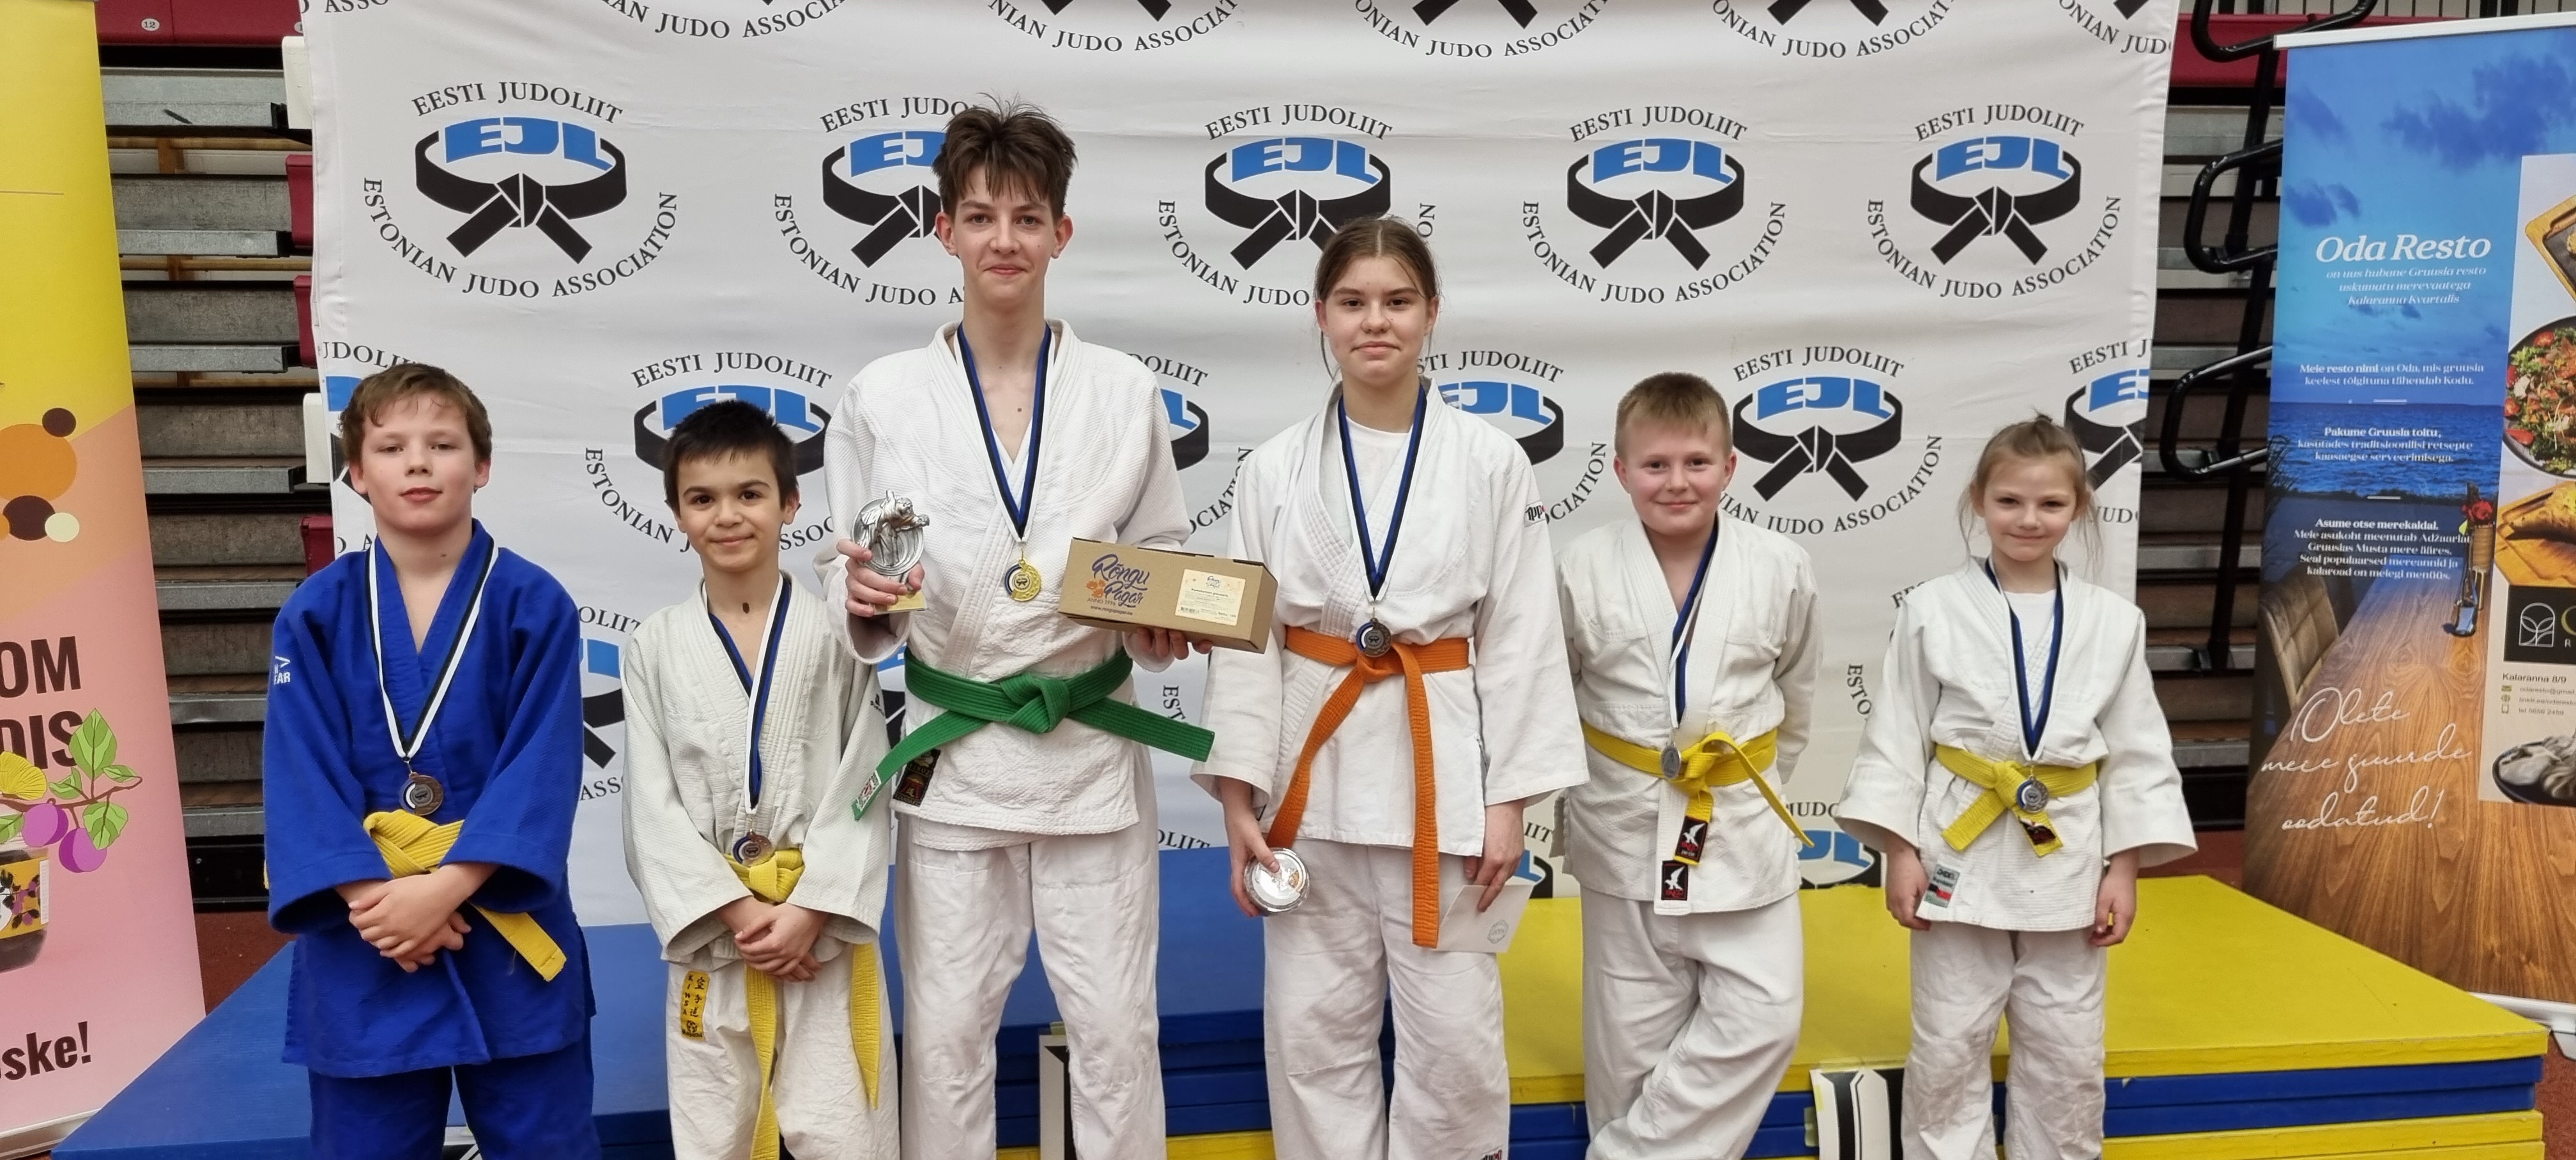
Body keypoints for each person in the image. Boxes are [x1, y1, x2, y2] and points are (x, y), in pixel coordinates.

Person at [817, 100, 1209, 1160]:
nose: (1005, 240)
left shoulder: (1122, 390)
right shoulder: (884, 397)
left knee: (1118, 1034)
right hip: (957, 757)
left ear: (1060, 234)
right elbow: (864, 571)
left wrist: (1158, 628)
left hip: (1089, 750)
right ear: (943, 229)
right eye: (982, 217)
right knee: (947, 1038)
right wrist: (864, 605)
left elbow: (1156, 560)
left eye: (1028, 218)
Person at [1195, 217, 1587, 1160]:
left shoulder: (1490, 461)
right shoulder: (1274, 468)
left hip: (1439, 783)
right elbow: (1248, 643)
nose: (1377, 322)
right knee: (1313, 1038)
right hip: (1311, 779)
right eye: (1355, 302)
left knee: (1456, 1044)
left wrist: (1509, 803)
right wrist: (1241, 799)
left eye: (1398, 301)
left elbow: (1522, 639)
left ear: (1432, 313)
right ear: (1321, 315)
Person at [1834, 415, 2196, 1160]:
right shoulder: (1931, 607)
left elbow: (2137, 749)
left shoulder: (2114, 621)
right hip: (1958, 845)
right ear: (1979, 500)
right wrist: (1900, 852)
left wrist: (2124, 867)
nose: (2029, 519)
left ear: (2078, 507)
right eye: (2009, 501)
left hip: (2068, 851)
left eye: (2050, 504)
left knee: (2068, 1045)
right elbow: (1898, 731)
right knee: (1948, 1037)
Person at [261, 363, 597, 1159]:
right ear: (356, 472)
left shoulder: (534, 603)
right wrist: (377, 902)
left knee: (546, 1144)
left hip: (501, 920)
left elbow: (542, 767)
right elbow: (301, 774)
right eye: (392, 447)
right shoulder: (315, 613)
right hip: (366, 931)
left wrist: (443, 888)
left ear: (482, 466)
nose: (418, 462)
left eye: (442, 444)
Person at [622, 401, 898, 1160]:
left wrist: (810, 908)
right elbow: (650, 806)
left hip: (820, 934)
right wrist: (740, 912)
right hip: (719, 937)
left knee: (845, 1132)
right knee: (715, 1135)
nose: (727, 516)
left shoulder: (840, 634)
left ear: (791, 502)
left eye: (749, 493)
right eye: (702, 498)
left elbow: (866, 779)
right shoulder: (653, 646)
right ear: (677, 513)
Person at [1556, 373, 1818, 1160]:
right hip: (1623, 823)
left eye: (1697, 462)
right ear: (1620, 469)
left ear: (1730, 467)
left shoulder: (1780, 564)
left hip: (1737, 824)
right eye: (1656, 464)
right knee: (1628, 1047)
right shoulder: (1578, 566)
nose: (1677, 481)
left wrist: (1743, 781)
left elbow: (1798, 694)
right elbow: (1551, 697)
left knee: (1765, 1014)